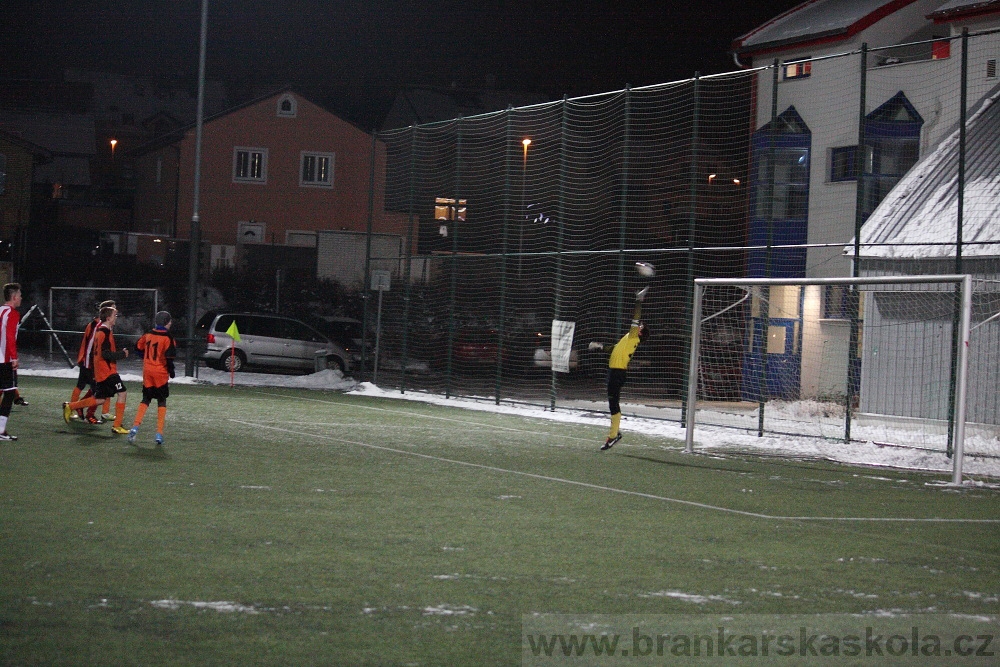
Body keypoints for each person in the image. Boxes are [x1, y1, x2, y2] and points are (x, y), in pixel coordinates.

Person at [589, 286, 650, 451]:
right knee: (612, 404)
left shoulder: (633, 336)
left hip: (617, 373)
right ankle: (614, 434)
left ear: (640, 333)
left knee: (613, 405)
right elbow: (614, 348)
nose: (639, 326)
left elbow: (636, 319)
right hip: (614, 372)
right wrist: (600, 347)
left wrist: (639, 301)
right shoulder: (629, 338)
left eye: (640, 327)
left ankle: (614, 436)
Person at [63, 306, 130, 434]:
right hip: (107, 371)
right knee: (122, 393)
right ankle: (117, 426)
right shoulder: (103, 332)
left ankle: (71, 406)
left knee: (100, 399)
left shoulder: (101, 331)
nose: (116, 317)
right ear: (108, 317)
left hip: (102, 370)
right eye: (115, 315)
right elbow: (105, 354)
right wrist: (122, 354)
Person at [127, 311, 175, 446]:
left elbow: (137, 347)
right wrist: (171, 372)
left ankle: (135, 427)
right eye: (169, 321)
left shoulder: (148, 334)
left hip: (147, 371)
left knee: (146, 399)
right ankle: (159, 433)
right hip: (160, 373)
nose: (171, 323)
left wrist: (145, 357)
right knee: (161, 401)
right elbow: (169, 358)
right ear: (166, 322)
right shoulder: (168, 338)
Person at [68, 300, 116, 423]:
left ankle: (75, 407)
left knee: (86, 387)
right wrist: (91, 364)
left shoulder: (102, 326)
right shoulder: (98, 326)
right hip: (90, 363)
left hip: (90, 362)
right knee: (98, 392)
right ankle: (81, 410)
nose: (116, 313)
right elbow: (91, 346)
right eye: (114, 310)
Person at [0, 283, 22, 441]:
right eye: (20, 295)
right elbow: (9, 336)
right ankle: (0, 430)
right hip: (4, 359)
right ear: (14, 297)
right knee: (9, 393)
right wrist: (13, 357)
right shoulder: (13, 313)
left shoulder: (0, 310)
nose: (21, 298)